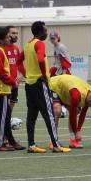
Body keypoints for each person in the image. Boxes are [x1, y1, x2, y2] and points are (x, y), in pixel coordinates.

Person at [19, 21, 69, 153]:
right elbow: (41, 60)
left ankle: (31, 145)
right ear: (40, 32)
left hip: (29, 84)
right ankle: (56, 144)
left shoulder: (28, 45)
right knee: (49, 114)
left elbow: (19, 61)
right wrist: (45, 77)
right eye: (45, 31)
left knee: (31, 115)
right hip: (39, 83)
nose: (47, 33)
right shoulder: (39, 44)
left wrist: (26, 74)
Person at [0, 27, 23, 152]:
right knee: (3, 116)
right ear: (1, 40)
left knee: (6, 116)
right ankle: (1, 143)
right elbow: (1, 73)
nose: (10, 38)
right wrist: (12, 82)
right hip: (0, 89)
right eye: (8, 36)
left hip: (3, 88)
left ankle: (11, 141)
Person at [49, 74, 91, 148]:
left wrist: (78, 130)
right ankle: (53, 140)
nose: (90, 107)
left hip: (65, 92)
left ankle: (72, 140)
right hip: (54, 86)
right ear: (90, 100)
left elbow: (82, 115)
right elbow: (71, 115)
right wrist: (76, 131)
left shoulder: (89, 94)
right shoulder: (76, 96)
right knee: (57, 111)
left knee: (77, 111)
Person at [4, 26, 25, 113]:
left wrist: (20, 76)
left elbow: (19, 63)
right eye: (13, 33)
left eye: (16, 33)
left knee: (12, 102)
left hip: (15, 83)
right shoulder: (2, 48)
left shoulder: (16, 49)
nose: (16, 35)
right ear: (7, 35)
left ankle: (8, 120)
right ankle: (4, 121)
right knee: (4, 106)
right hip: (5, 83)